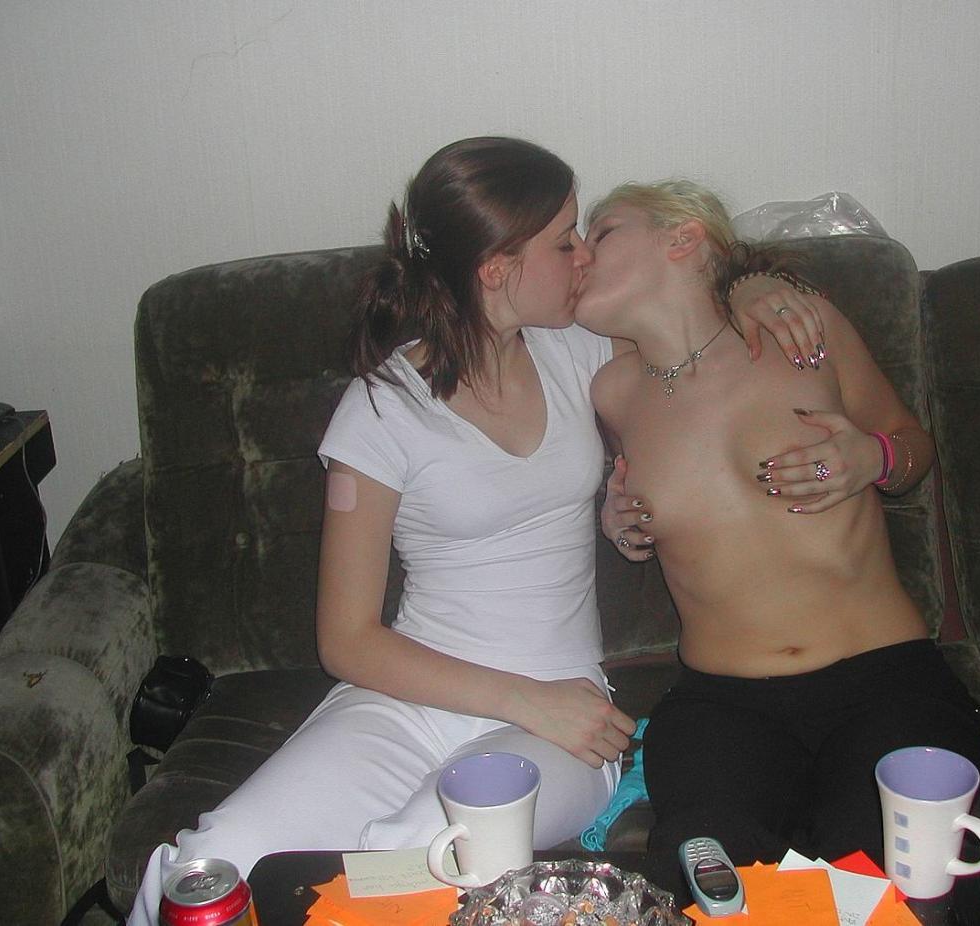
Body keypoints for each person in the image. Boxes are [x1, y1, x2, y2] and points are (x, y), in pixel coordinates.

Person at [127, 138, 821, 924]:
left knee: (421, 849)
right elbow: (347, 640)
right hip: (410, 703)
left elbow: (693, 314)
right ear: (496, 268)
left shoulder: (577, 348)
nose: (585, 256)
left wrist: (757, 286)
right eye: (564, 241)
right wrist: (522, 699)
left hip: (565, 722)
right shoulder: (381, 409)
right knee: (214, 857)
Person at [576, 179, 980, 888]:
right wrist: (617, 523)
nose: (581, 252)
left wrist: (873, 457)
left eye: (603, 231)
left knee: (883, 881)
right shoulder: (612, 392)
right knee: (707, 880)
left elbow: (912, 446)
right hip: (721, 702)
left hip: (883, 681)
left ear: (683, 238)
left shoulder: (801, 330)